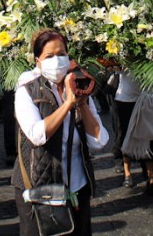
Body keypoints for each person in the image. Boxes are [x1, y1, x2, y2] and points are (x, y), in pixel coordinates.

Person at [13, 28, 109, 236]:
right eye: (49, 56)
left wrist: (81, 103)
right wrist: (67, 105)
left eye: (61, 54)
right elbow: (37, 135)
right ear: (38, 61)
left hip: (76, 185)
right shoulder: (27, 91)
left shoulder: (77, 86)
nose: (57, 61)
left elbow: (99, 141)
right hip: (41, 186)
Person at [115, 70, 153, 196]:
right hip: (126, 99)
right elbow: (113, 65)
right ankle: (127, 173)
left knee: (150, 137)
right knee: (125, 135)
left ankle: (151, 178)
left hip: (148, 97)